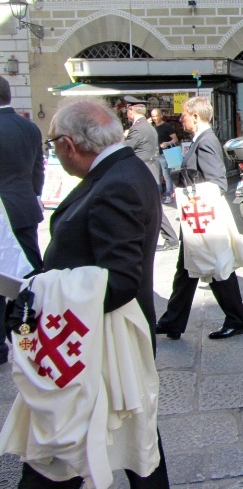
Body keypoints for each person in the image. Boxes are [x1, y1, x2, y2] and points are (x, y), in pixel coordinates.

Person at [18, 97, 169, 487]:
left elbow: (119, 278)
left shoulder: (116, 183)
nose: (55, 152)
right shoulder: (123, 170)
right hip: (97, 335)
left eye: (53, 145)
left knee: (63, 448)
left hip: (95, 341)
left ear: (69, 145)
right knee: (139, 441)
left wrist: (43, 289)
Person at [156, 96, 243, 341]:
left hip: (203, 218)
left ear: (195, 117)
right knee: (185, 271)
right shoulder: (201, 139)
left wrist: (191, 194)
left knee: (218, 268)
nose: (181, 119)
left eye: (184, 115)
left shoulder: (206, 141)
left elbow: (217, 182)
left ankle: (237, 320)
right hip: (196, 218)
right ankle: (172, 323)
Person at [0, 76, 44, 365]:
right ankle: (32, 328)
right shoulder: (29, 127)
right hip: (25, 207)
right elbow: (38, 168)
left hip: (3, 212)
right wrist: (34, 194)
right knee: (28, 276)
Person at [125, 103, 179, 252]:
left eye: (128, 110)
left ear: (132, 111)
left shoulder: (138, 128)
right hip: (149, 169)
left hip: (144, 171)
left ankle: (171, 238)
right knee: (147, 206)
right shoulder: (147, 127)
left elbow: (125, 148)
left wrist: (124, 136)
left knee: (151, 207)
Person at [150, 108, 179, 202]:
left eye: (156, 116)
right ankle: (158, 194)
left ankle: (169, 194)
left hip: (165, 154)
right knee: (156, 176)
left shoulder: (167, 126)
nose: (154, 118)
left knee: (167, 175)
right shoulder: (152, 127)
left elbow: (175, 139)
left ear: (161, 115)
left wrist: (167, 143)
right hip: (155, 154)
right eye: (153, 116)